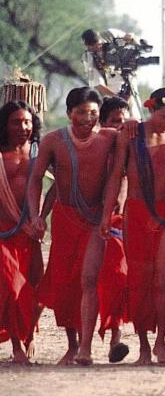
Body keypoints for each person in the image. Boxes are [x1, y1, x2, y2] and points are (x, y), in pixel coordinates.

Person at [99, 86, 165, 365]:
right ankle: (143, 345)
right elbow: (116, 176)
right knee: (141, 281)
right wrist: (107, 215)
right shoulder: (132, 134)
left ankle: (160, 343)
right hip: (137, 213)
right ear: (152, 109)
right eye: (164, 116)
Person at [28, 87, 128, 365]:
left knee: (89, 279)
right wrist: (36, 216)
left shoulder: (109, 138)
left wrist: (108, 213)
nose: (87, 118)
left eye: (93, 113)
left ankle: (85, 348)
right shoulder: (53, 141)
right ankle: (72, 345)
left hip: (97, 220)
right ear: (69, 113)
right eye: (81, 112)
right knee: (65, 283)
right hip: (65, 219)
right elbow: (36, 179)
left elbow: (117, 176)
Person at [0, 101, 42, 364]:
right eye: (16, 122)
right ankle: (17, 347)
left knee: (34, 289)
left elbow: (63, 181)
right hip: (2, 233)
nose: (23, 127)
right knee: (12, 287)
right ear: (4, 124)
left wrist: (42, 215)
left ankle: (30, 336)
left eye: (27, 121)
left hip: (30, 234)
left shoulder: (39, 152)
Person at [81, 28, 143, 119]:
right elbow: (98, 84)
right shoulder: (88, 58)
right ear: (88, 46)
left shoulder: (110, 34)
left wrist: (131, 37)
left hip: (128, 81)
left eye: (98, 43)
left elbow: (134, 42)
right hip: (111, 91)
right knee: (117, 119)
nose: (99, 46)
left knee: (135, 116)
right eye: (94, 45)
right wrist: (118, 99)